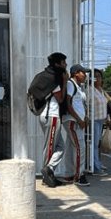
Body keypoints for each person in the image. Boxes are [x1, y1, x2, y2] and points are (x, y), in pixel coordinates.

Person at [36, 52, 68, 188]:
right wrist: (65, 82)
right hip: (52, 116)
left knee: (60, 146)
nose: (65, 64)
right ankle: (47, 175)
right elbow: (60, 99)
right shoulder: (53, 79)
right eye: (63, 62)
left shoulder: (44, 76)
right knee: (50, 147)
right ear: (57, 64)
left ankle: (48, 170)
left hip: (45, 115)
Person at [62, 64, 90, 187]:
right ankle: (79, 175)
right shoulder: (70, 84)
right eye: (83, 73)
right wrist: (79, 120)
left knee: (70, 147)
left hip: (76, 120)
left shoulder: (78, 87)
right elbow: (68, 104)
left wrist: (85, 117)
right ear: (76, 73)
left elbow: (79, 104)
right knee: (80, 147)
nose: (85, 75)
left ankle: (69, 174)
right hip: (73, 121)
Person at [90, 69, 111, 175]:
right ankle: (95, 167)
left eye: (99, 76)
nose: (97, 78)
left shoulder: (101, 90)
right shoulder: (90, 90)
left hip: (101, 120)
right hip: (93, 120)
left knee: (97, 145)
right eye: (95, 76)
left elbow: (108, 105)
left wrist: (108, 118)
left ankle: (97, 164)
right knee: (94, 145)